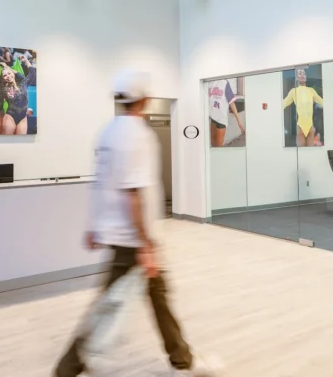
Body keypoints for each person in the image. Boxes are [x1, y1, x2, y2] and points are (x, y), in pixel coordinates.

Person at [54, 70, 217, 377]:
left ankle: (182, 359)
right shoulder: (137, 135)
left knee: (156, 296)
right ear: (144, 99)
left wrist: (94, 225)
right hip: (133, 239)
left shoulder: (107, 132)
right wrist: (145, 246)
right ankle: (68, 367)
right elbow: (133, 194)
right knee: (114, 303)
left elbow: (101, 184)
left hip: (121, 234)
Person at [282, 67, 324, 147]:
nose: (302, 75)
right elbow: (283, 104)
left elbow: (322, 102)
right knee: (301, 152)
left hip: (310, 127)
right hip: (300, 127)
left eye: (304, 73)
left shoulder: (311, 90)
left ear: (306, 77)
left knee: (310, 152)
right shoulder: (294, 91)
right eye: (300, 74)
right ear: (297, 78)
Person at [208, 79, 244, 147]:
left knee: (218, 147)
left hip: (221, 120)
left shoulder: (224, 83)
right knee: (213, 145)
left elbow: (231, 103)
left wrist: (238, 121)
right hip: (212, 118)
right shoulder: (209, 82)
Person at [0, 63, 32, 135]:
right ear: (3, 78)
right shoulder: (4, 88)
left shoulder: (23, 83)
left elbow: (32, 74)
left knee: (21, 140)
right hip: (10, 116)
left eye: (9, 73)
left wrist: (26, 61)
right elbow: (8, 95)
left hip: (23, 118)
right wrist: (9, 95)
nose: (8, 76)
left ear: (13, 74)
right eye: (5, 75)